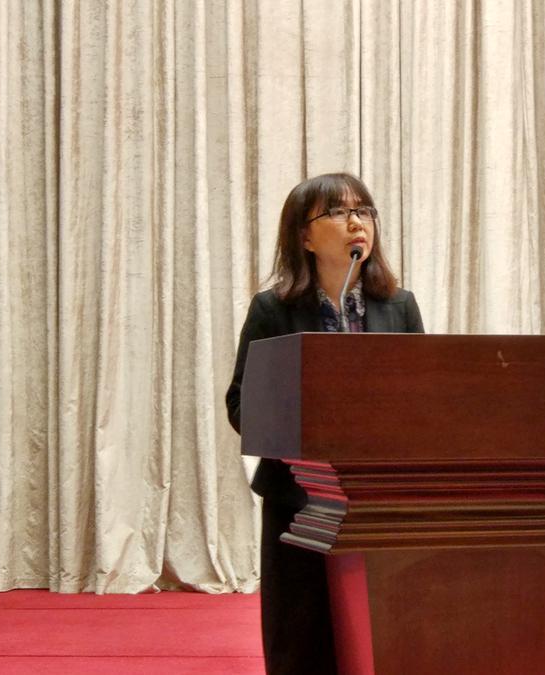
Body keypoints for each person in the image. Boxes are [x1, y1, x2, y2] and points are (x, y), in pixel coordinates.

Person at [225, 172, 425, 675]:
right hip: (299, 496)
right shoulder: (273, 310)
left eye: (364, 210)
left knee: (379, 634)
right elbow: (241, 403)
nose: (357, 222)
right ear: (305, 237)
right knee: (301, 633)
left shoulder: (399, 307)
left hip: (378, 498)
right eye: (338, 212)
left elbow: (424, 398)